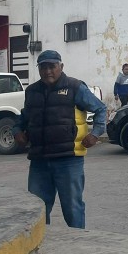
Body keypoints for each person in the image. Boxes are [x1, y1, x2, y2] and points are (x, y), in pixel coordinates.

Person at [12, 50, 106, 229]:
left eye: (52, 66)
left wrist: (95, 134)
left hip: (68, 160)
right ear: (39, 69)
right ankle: (42, 246)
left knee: (72, 208)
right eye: (43, 67)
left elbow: (100, 109)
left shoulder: (75, 87)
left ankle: (78, 244)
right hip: (39, 162)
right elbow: (23, 118)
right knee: (37, 208)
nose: (48, 71)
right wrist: (17, 131)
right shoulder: (31, 91)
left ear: (61, 67)